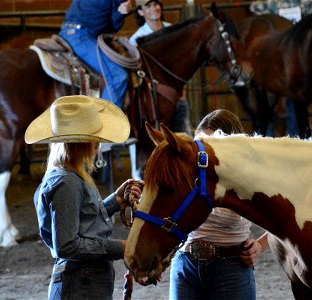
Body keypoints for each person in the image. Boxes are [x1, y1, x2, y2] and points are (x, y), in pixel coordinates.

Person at [25, 95, 143, 300]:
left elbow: (83, 221)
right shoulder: (67, 183)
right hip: (81, 283)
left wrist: (114, 202)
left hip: (83, 282)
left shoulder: (68, 177)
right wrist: (122, 247)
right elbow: (67, 245)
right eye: (94, 140)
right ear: (83, 143)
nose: (98, 145)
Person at [169, 109, 269, 300]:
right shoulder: (186, 173)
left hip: (231, 267)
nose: (202, 151)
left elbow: (282, 221)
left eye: (211, 144)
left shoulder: (249, 176)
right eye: (199, 144)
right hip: (185, 264)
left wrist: (260, 245)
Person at [129, 0, 191, 135]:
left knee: (183, 137)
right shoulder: (137, 39)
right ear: (140, 12)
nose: (154, 8)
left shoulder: (173, 31)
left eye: (156, 4)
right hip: (154, 100)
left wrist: (182, 92)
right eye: (148, 6)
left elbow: (180, 63)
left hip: (178, 95)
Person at [59, 0, 132, 108]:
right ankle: (108, 123)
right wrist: (122, 12)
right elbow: (112, 27)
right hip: (80, 36)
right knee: (117, 76)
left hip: (69, 31)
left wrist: (121, 11)